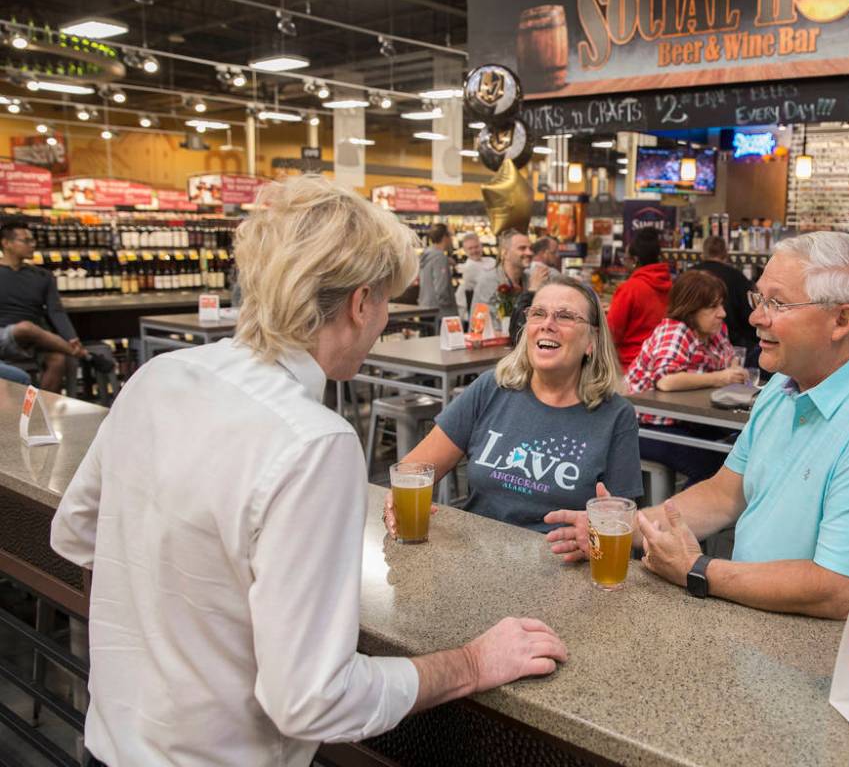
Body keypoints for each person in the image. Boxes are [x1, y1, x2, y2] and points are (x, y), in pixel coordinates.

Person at [50, 176, 566, 767]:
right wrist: (472, 663)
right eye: (386, 304)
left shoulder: (158, 377)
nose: (384, 324)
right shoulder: (313, 443)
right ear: (360, 302)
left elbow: (76, 535)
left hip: (109, 744)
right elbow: (311, 702)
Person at [545, 231, 849, 620]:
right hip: (762, 623)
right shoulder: (783, 389)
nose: (755, 316)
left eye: (777, 303)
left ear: (841, 320)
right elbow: (724, 495)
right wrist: (622, 529)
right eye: (759, 298)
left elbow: (837, 590)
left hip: (840, 657)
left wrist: (697, 569)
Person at [385, 274, 643, 534]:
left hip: (562, 564)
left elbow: (619, 526)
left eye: (565, 316)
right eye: (538, 313)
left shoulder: (616, 416)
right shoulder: (492, 388)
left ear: (592, 340)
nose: (548, 324)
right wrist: (397, 499)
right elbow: (414, 469)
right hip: (476, 557)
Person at [625, 269, 747, 482]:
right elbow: (667, 382)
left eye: (721, 305)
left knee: (740, 450)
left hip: (685, 421)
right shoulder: (676, 331)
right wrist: (723, 377)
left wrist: (733, 370)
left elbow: (730, 359)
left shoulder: (714, 331)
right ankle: (680, 513)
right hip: (645, 426)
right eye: (713, 307)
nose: (722, 313)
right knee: (713, 466)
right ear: (691, 310)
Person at [0, 216, 92, 392]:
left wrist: (72, 338)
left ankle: (40, 412)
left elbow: (55, 310)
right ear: (6, 243)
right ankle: (81, 354)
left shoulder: (43, 276)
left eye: (33, 240)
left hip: (33, 340)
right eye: (26, 240)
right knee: (26, 327)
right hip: (4, 335)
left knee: (58, 360)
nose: (32, 244)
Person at [605, 227, 672, 372]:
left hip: (630, 367)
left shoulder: (630, 289)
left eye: (626, 258)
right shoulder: (672, 286)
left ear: (635, 260)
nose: (625, 262)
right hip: (661, 366)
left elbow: (611, 333)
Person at [693, 235, 757, 352]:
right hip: (735, 341)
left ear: (703, 253)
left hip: (695, 339)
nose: (722, 313)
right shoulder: (737, 277)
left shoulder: (689, 275)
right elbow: (748, 314)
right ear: (725, 254)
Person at [471, 230, 532, 328]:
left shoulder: (529, 278)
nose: (529, 252)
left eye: (530, 248)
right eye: (522, 248)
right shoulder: (489, 281)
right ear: (505, 253)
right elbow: (494, 326)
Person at [417, 223, 458, 321]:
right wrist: (448, 306)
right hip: (439, 312)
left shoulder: (427, 255)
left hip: (425, 307)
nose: (451, 240)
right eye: (450, 236)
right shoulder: (439, 257)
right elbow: (441, 287)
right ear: (445, 237)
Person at [455, 232, 495, 320]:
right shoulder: (469, 267)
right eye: (470, 248)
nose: (474, 251)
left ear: (481, 246)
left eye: (476, 247)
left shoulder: (491, 261)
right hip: (476, 310)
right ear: (465, 251)